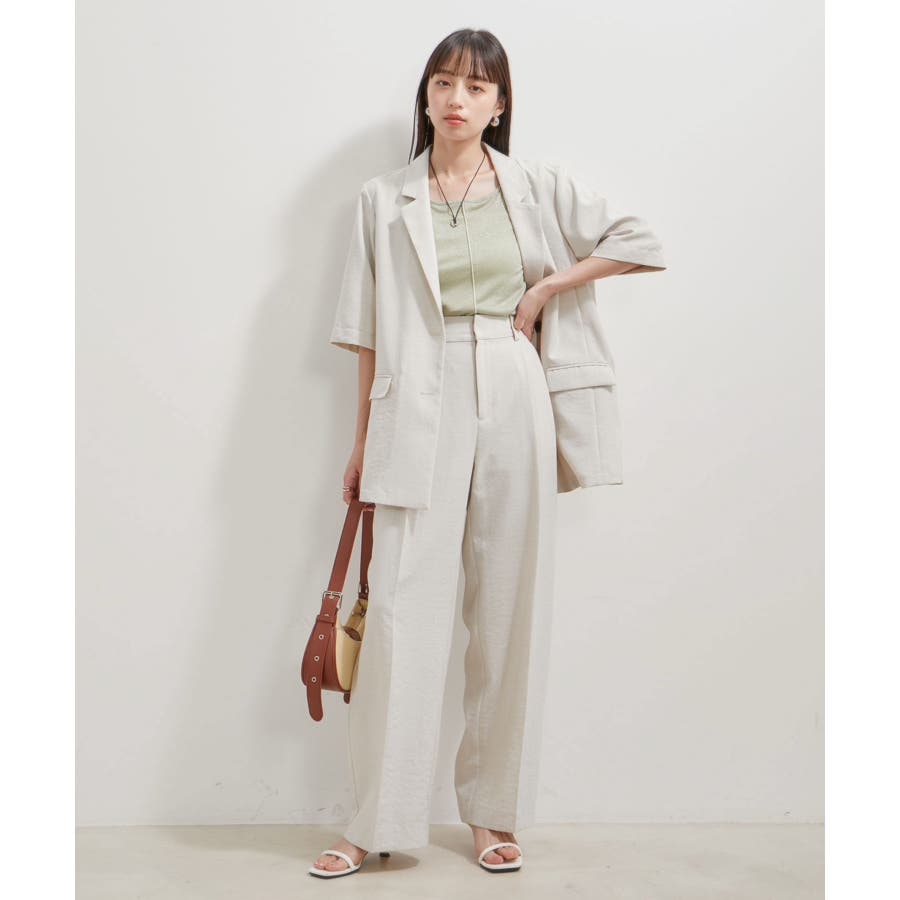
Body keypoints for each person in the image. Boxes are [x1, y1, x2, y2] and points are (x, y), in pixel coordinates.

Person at [310, 28, 666, 878]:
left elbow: (639, 240)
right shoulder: (382, 198)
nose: (457, 99)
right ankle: (374, 821)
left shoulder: (534, 186)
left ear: (500, 104)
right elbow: (365, 332)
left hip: (511, 379)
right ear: (426, 96)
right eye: (443, 83)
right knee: (401, 611)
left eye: (475, 87)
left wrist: (547, 287)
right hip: (415, 393)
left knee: (506, 607)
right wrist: (361, 442)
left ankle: (492, 815)